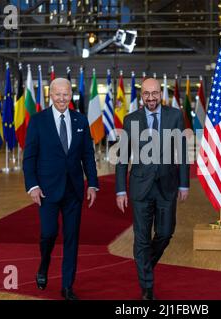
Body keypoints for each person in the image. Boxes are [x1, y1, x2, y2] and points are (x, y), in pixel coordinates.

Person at [23, 78, 99, 300]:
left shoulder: (81, 120)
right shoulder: (38, 121)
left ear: (70, 95)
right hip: (46, 190)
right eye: (58, 94)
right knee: (48, 234)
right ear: (51, 95)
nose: (62, 98)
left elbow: (87, 155)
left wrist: (92, 183)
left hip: (74, 190)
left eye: (66, 94)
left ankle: (67, 286)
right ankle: (44, 263)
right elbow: (29, 158)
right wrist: (33, 186)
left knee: (72, 238)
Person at [115, 78, 189, 300]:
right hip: (140, 188)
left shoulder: (175, 116)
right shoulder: (130, 120)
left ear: (161, 94)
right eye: (146, 94)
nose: (151, 98)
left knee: (165, 233)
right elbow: (121, 159)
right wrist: (120, 190)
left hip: (167, 186)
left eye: (154, 93)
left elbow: (183, 153)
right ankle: (147, 288)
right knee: (141, 238)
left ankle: (145, 264)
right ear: (141, 96)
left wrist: (184, 183)